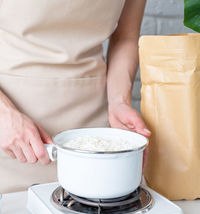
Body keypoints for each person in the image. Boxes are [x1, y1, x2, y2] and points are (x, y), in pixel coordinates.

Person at [0, 0, 151, 193]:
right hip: (9, 130)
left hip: (92, 131)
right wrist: (3, 115)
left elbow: (125, 36)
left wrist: (119, 102)